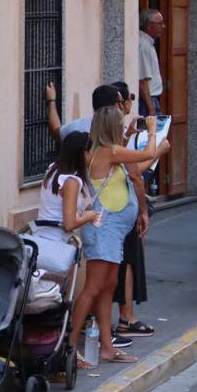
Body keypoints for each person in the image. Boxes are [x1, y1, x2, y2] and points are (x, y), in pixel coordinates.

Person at [69, 106, 164, 366]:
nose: (124, 127)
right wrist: (154, 132)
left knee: (108, 286)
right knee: (93, 288)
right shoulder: (109, 151)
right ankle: (69, 347)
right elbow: (147, 154)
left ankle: (107, 347)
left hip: (111, 230)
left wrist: (127, 137)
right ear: (111, 127)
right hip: (104, 229)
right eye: (120, 125)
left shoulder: (107, 151)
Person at [137, 10, 165, 117]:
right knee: (152, 132)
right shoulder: (144, 45)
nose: (163, 26)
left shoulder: (148, 43)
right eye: (160, 24)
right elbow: (143, 81)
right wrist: (151, 108)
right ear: (149, 26)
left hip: (152, 99)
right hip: (148, 100)